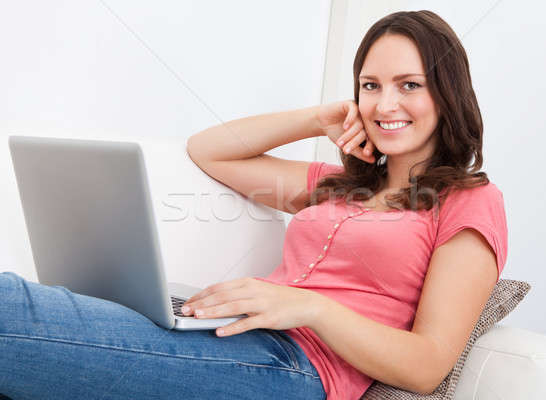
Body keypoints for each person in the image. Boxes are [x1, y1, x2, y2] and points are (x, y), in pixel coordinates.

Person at [0, 10, 508, 400]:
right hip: (231, 334)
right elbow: (208, 150)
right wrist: (317, 118)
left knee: (12, 308)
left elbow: (428, 365)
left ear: (447, 95)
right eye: (370, 86)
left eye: (410, 85)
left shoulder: (471, 202)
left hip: (291, 367)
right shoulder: (337, 183)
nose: (384, 104)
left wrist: (309, 306)